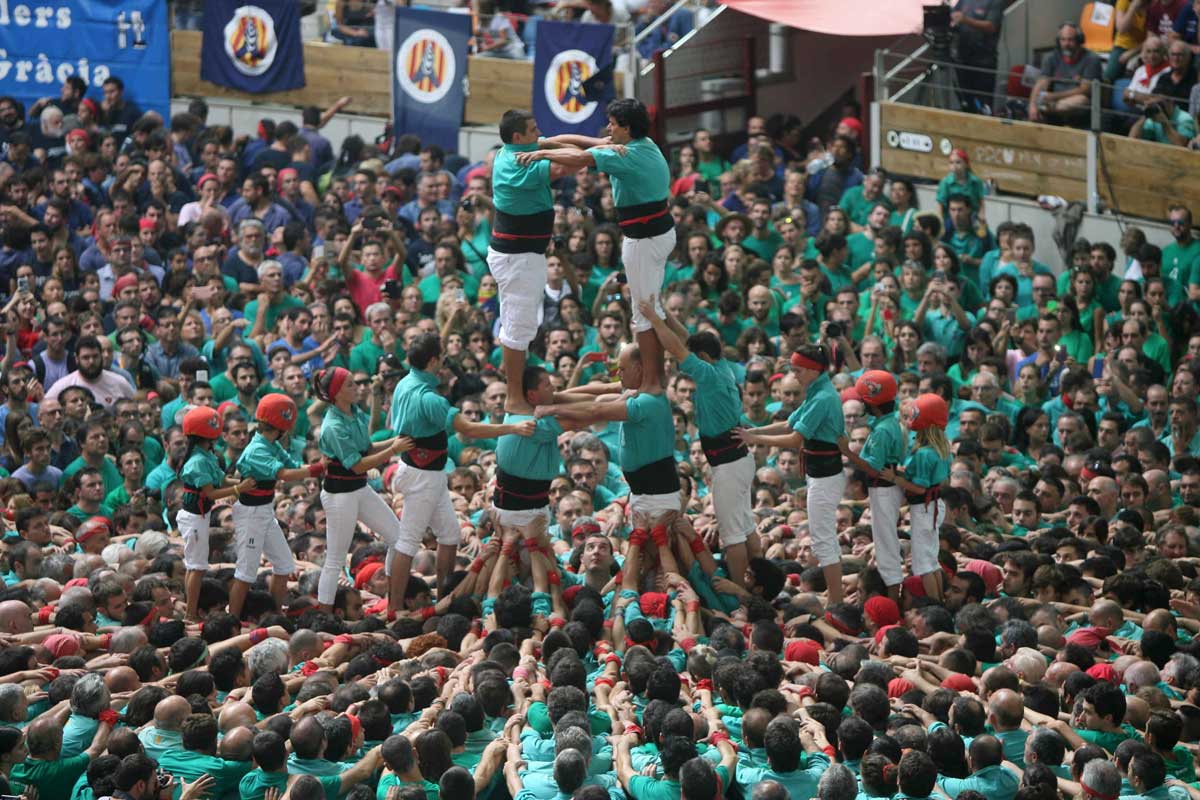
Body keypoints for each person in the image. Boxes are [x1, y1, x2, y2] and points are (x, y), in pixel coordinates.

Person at [518, 99, 674, 388]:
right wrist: (545, 141)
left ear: (626, 129)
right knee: (648, 310)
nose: (609, 129)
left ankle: (653, 379)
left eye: (613, 124)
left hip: (646, 238)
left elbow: (580, 158)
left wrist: (540, 154)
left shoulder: (626, 154)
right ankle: (654, 375)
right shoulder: (642, 143)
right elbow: (585, 142)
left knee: (644, 313)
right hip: (650, 232)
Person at [387, 335, 531, 608]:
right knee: (407, 542)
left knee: (450, 535)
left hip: (420, 469)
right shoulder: (428, 397)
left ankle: (443, 597)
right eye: (441, 356)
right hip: (423, 474)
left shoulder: (404, 382)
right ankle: (394, 608)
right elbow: (470, 429)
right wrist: (511, 428)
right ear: (432, 361)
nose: (444, 361)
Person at [736, 345, 847, 603]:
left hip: (825, 476)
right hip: (820, 474)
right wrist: (754, 429)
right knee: (823, 540)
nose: (794, 375)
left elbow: (796, 438)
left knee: (823, 541)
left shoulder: (823, 398)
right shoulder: (817, 390)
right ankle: (835, 595)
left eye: (797, 370)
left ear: (811, 369)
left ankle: (836, 600)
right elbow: (789, 423)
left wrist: (754, 436)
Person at [314, 366, 413, 615]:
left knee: (398, 538)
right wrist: (394, 449)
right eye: (349, 385)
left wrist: (397, 441)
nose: (357, 388)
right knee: (336, 559)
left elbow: (367, 448)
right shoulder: (331, 426)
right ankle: (324, 615)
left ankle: (394, 600)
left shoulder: (354, 411)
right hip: (340, 495)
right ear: (336, 394)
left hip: (358, 487)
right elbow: (358, 463)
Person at [228, 394, 324, 619]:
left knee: (283, 565)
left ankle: (275, 614)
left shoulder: (272, 444)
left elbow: (293, 465)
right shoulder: (257, 449)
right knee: (246, 572)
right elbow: (285, 474)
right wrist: (318, 468)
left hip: (264, 511)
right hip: (251, 514)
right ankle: (230, 619)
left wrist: (318, 465)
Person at [177, 406, 254, 621]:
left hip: (200, 516)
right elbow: (211, 492)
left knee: (196, 566)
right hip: (193, 517)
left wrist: (244, 483)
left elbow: (220, 480)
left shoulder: (207, 455)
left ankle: (190, 610)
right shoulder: (197, 461)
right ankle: (190, 614)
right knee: (197, 567)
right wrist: (241, 488)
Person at [839, 371, 906, 601]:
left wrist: (846, 451)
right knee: (885, 545)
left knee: (886, 549)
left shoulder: (882, 430)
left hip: (883, 487)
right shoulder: (888, 422)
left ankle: (892, 604)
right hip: (885, 488)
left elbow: (872, 468)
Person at [884, 394, 952, 600]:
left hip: (924, 507)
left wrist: (894, 477)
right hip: (933, 505)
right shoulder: (943, 448)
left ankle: (935, 605)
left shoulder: (924, 453)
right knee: (931, 561)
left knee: (923, 565)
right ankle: (940, 600)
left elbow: (920, 488)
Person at [1029, 23, 1103, 126]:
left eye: (1070, 40)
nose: (1066, 44)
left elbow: (1085, 89)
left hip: (1072, 103)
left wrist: (1054, 97)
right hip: (1053, 102)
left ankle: (1045, 109)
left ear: (1079, 40)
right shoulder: (1051, 57)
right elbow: (1041, 82)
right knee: (1038, 92)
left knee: (1081, 100)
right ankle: (1042, 108)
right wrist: (1032, 105)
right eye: (1063, 40)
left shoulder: (1091, 59)